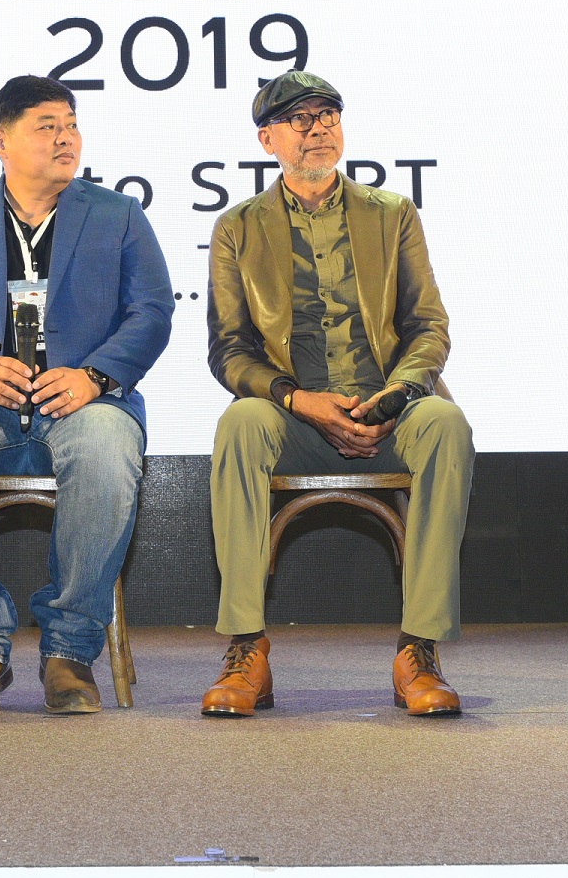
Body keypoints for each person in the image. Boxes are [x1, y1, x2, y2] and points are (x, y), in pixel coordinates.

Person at [0, 75, 173, 716]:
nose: (65, 137)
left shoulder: (118, 216)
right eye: (47, 126)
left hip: (84, 400)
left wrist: (95, 376)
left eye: (71, 125)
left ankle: (70, 650)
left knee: (106, 450)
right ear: (2, 141)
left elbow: (151, 312)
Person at [201, 71, 475, 718]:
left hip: (389, 409)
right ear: (268, 139)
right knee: (240, 423)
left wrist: (398, 395)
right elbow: (229, 350)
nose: (319, 128)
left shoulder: (392, 214)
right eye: (301, 119)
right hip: (293, 416)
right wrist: (298, 400)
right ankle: (246, 649)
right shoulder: (238, 228)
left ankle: (419, 651)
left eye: (328, 115)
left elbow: (428, 327)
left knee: (447, 423)